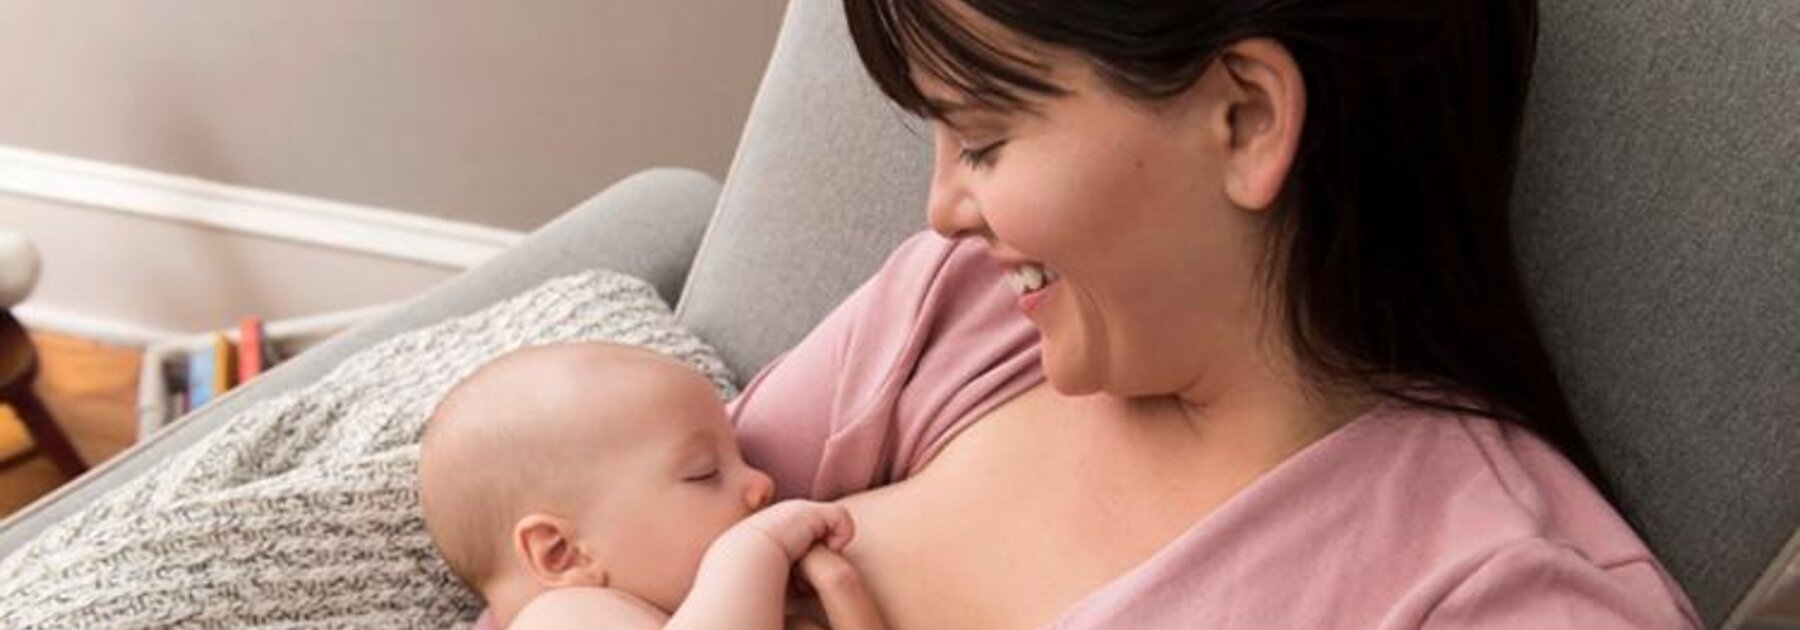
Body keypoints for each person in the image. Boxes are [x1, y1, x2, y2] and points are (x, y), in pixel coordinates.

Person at [716, 0, 1702, 627]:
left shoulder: (1494, 595)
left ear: (1247, 118)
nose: (943, 210)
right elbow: (585, 538)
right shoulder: (964, 309)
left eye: (983, 136)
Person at [418, 342, 885, 629]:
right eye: (704, 473)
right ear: (562, 552)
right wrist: (754, 548)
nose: (761, 483)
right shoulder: (561, 616)